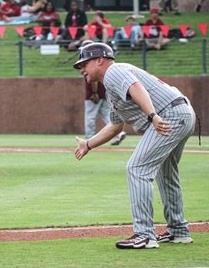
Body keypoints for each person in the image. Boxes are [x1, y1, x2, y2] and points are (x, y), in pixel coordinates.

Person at [73, 42, 196, 249]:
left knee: (137, 168)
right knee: (166, 173)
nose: (81, 69)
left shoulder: (114, 71)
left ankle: (145, 235)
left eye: (84, 63)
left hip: (168, 116)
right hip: (180, 113)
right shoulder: (110, 88)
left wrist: (153, 115)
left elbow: (136, 88)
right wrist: (89, 144)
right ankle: (178, 231)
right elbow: (115, 125)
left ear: (100, 60)